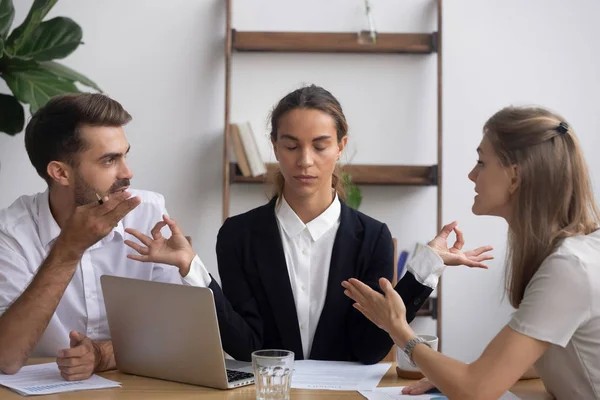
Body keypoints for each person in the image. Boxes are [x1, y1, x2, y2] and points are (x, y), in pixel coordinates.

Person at [126, 85, 492, 364]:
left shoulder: (372, 237)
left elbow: (369, 348)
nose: (305, 160)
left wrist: (425, 269)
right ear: (274, 147)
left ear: (340, 147)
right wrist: (192, 268)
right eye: (291, 146)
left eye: (320, 146)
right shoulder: (238, 236)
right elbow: (245, 345)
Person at [342, 106, 600, 399]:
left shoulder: (569, 268)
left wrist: (398, 329)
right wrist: (452, 375)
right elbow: (529, 362)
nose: (471, 174)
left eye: (481, 162)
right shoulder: (573, 254)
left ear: (515, 177)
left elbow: (475, 391)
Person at [0, 93, 203, 380]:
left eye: (125, 155)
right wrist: (68, 250)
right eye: (109, 161)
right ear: (60, 172)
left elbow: (177, 334)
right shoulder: (11, 233)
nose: (128, 172)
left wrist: (102, 354)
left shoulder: (148, 214)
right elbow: (6, 357)